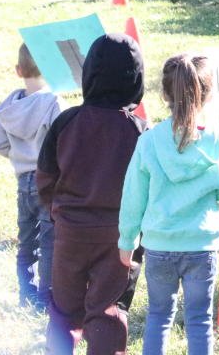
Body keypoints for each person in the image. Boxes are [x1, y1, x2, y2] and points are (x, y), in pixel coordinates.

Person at [118, 54, 219, 355]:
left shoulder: (149, 141)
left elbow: (133, 194)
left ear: (164, 94)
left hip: (160, 245)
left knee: (158, 317)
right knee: (199, 321)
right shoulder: (215, 141)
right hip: (201, 245)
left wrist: (127, 239)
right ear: (208, 95)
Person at [37, 33, 148, 354]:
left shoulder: (67, 121)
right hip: (120, 238)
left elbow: (45, 176)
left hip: (70, 233)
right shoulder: (139, 131)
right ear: (136, 79)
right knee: (108, 312)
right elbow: (148, 187)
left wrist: (58, 213)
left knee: (64, 309)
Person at [0, 43, 62, 311]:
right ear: (53, 70)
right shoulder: (54, 102)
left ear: (19, 71)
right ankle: (45, 297)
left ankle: (25, 293)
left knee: (26, 240)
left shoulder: (10, 106)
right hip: (49, 181)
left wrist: (17, 155)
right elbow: (62, 140)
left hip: (23, 181)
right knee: (49, 240)